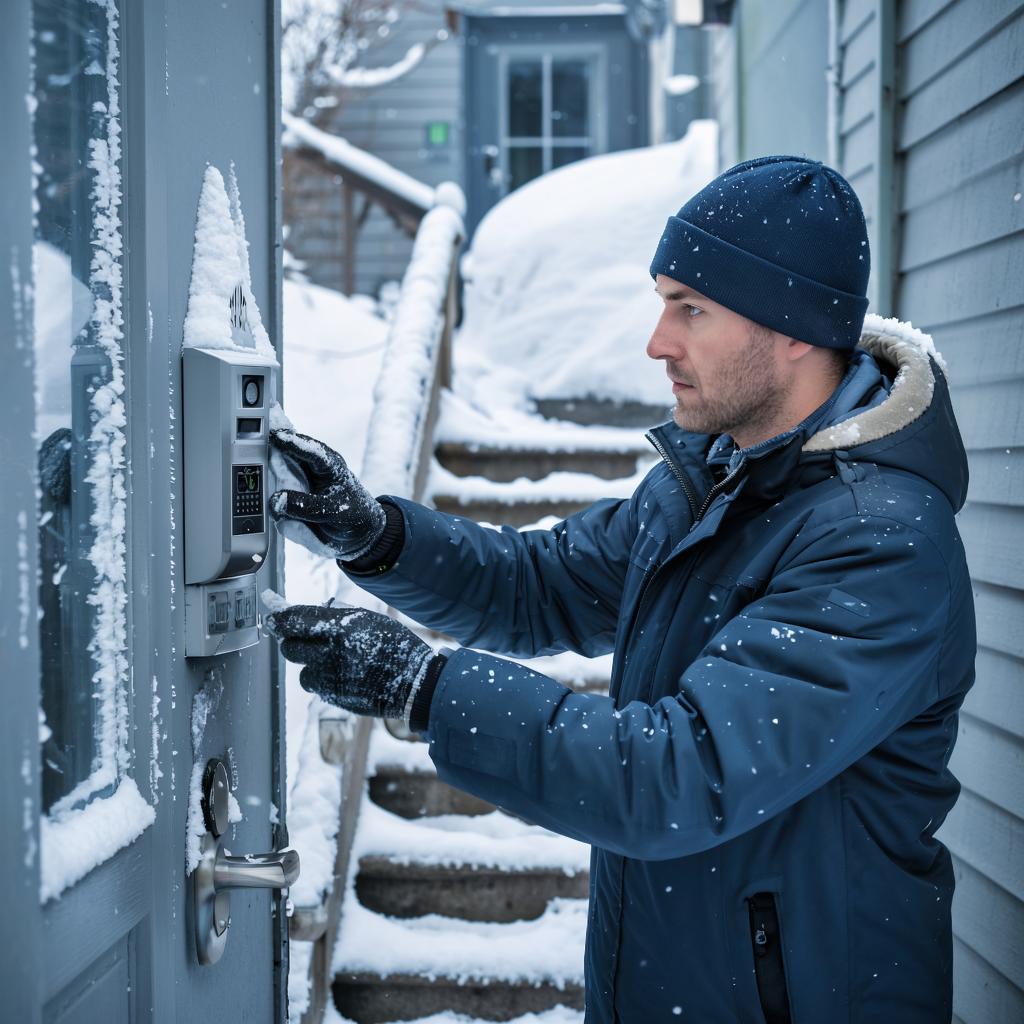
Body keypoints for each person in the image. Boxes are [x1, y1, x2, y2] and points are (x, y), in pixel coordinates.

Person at [266, 155, 976, 1023]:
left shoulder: (878, 538)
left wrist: (428, 690)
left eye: (692, 309)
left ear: (794, 328)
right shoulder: (719, 478)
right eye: (663, 301)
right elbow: (539, 585)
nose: (657, 342)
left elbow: (679, 775)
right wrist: (381, 538)